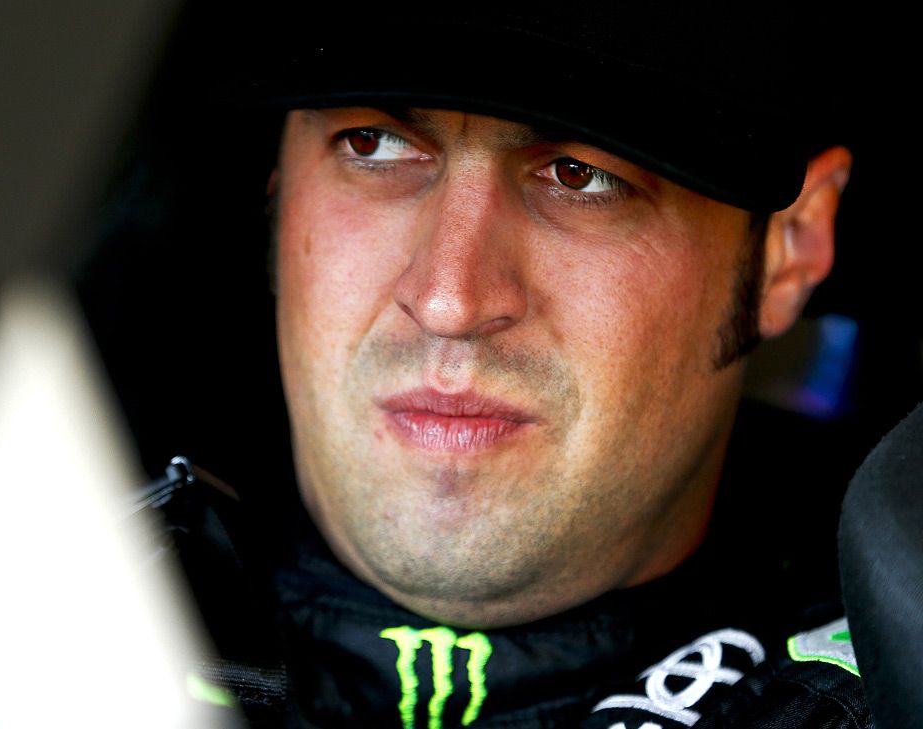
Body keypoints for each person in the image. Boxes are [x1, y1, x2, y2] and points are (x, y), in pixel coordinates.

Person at [145, 4, 880, 728]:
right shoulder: (80, 596)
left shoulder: (888, 684)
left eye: (580, 175)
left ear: (789, 247)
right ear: (276, 189)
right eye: (374, 144)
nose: (448, 300)